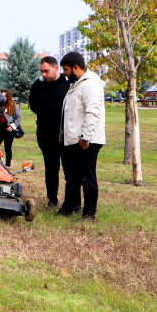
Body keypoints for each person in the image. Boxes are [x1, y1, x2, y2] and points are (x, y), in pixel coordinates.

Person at [58, 52, 106, 221]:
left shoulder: (90, 85)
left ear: (75, 67)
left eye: (65, 69)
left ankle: (89, 213)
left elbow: (93, 113)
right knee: (72, 177)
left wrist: (85, 137)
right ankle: (69, 207)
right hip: (74, 140)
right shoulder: (76, 84)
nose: (64, 73)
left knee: (87, 177)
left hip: (87, 141)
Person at [29, 56, 71, 210]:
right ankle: (52, 200)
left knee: (69, 169)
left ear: (56, 69)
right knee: (51, 168)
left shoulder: (67, 84)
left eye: (46, 71)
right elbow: (33, 105)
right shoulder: (38, 85)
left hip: (65, 133)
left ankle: (72, 202)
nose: (43, 74)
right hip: (46, 133)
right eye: (41, 71)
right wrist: (45, 114)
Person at [0, 89, 21, 167]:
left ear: (8, 97)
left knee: (7, 147)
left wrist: (12, 126)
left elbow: (18, 117)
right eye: (2, 96)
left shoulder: (12, 105)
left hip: (8, 128)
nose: (3, 97)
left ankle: (7, 165)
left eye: (5, 96)